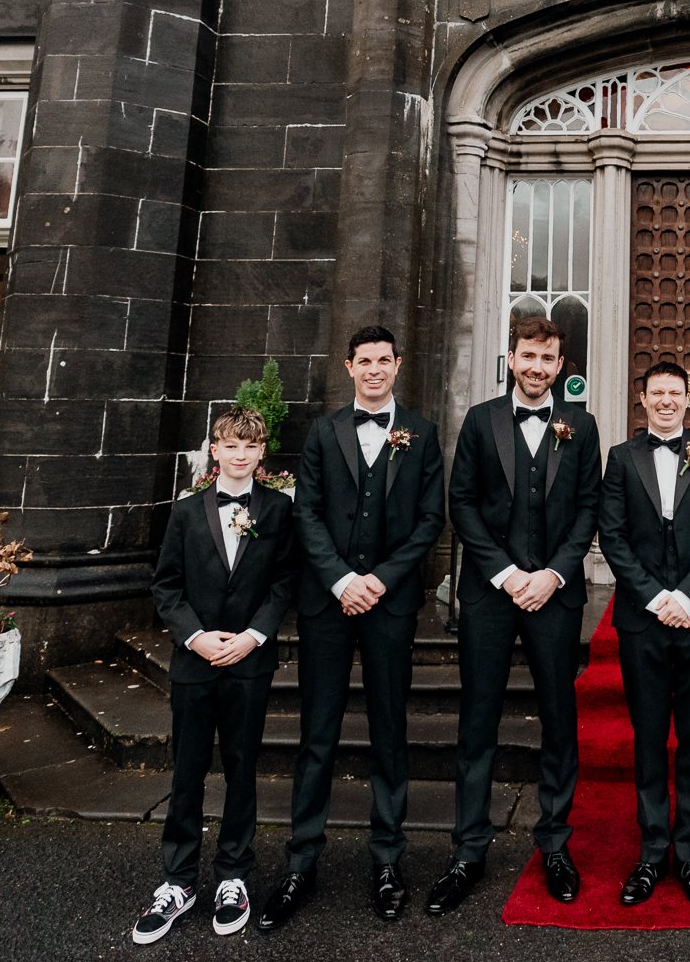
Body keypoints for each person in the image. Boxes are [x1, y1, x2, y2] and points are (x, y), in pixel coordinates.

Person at [260, 326, 445, 930]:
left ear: (398, 364)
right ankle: (300, 862)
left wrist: (380, 581)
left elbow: (429, 519)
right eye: (362, 361)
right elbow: (304, 511)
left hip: (389, 605)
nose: (373, 369)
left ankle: (389, 860)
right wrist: (342, 581)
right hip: (327, 604)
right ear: (348, 368)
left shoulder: (421, 433)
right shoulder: (322, 430)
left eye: (383, 360)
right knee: (318, 735)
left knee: (390, 732)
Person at [428, 315, 603, 915]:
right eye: (528, 356)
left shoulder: (581, 424)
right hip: (489, 594)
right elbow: (463, 503)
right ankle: (468, 851)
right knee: (478, 722)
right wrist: (507, 574)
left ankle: (555, 844)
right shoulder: (481, 420)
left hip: (555, 595)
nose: (537, 367)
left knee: (559, 720)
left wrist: (552, 573)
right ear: (511, 357)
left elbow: (588, 508)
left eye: (548, 359)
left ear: (561, 364)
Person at [135, 408, 296, 945]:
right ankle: (178, 881)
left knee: (242, 768)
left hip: (250, 661)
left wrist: (253, 636)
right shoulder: (184, 512)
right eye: (231, 446)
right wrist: (195, 636)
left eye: (250, 447)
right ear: (216, 450)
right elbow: (166, 586)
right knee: (187, 769)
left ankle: (233, 877)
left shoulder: (277, 509)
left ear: (261, 452)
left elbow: (283, 583)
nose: (241, 455)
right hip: (194, 660)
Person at [596, 360, 690, 910]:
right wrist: (657, 598)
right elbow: (613, 534)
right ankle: (652, 854)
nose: (666, 401)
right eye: (657, 393)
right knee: (650, 739)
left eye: (675, 394)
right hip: (641, 618)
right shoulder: (621, 458)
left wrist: (688, 595)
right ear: (643, 398)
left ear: (687, 399)